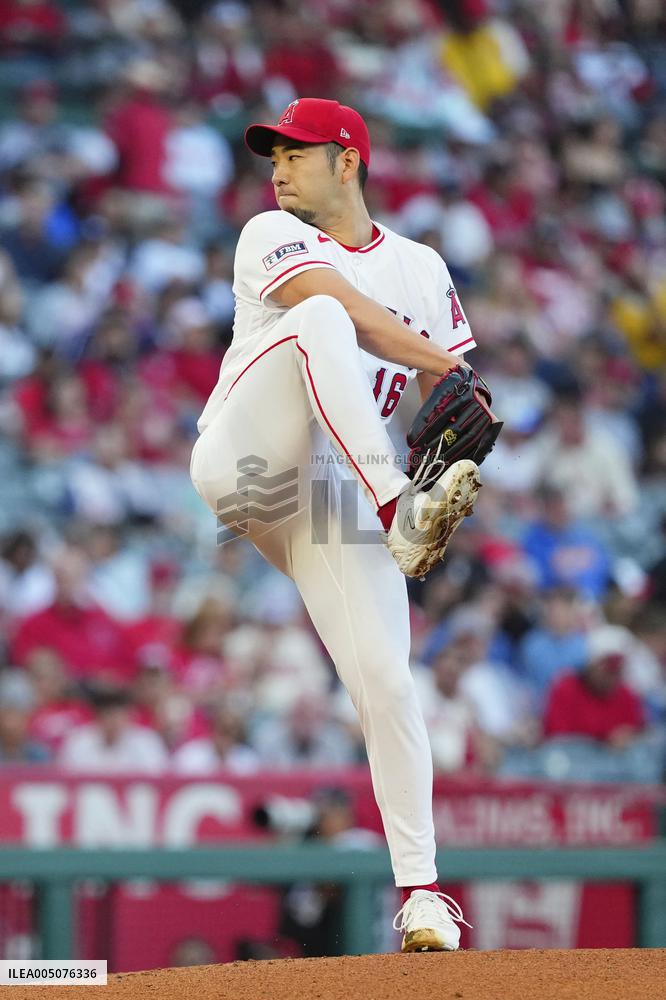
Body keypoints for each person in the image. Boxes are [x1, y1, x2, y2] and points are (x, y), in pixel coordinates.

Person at [190, 97, 481, 951]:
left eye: (296, 154)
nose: (276, 169)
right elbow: (349, 314)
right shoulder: (267, 234)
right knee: (320, 317)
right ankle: (399, 509)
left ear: (347, 161)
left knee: (387, 682)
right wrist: (452, 371)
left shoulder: (423, 267)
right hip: (248, 459)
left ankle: (423, 895)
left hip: (332, 494)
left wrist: (462, 429)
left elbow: (450, 405)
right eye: (271, 155)